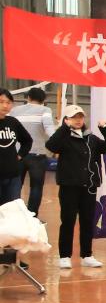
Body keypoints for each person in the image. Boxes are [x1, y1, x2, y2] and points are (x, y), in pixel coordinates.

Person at [45, 104, 106, 268]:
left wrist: (105, 129)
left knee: (87, 221)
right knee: (68, 221)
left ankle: (87, 255)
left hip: (89, 186)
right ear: (67, 119)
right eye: (74, 117)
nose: (78, 120)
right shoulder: (63, 137)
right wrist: (64, 128)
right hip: (69, 186)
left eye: (80, 117)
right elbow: (51, 146)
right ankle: (65, 256)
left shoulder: (91, 138)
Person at [10, 87, 55, 216]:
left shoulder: (15, 110)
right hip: (37, 154)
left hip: (17, 154)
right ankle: (32, 216)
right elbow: (49, 129)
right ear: (44, 99)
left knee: (15, 186)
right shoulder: (45, 110)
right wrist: (57, 144)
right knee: (36, 187)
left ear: (28, 98)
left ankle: (13, 216)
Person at [0, 89, 33, 206]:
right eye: (1, 102)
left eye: (8, 102)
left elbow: (27, 140)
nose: (5, 105)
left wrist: (19, 155)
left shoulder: (13, 122)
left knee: (12, 209)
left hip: (13, 176)